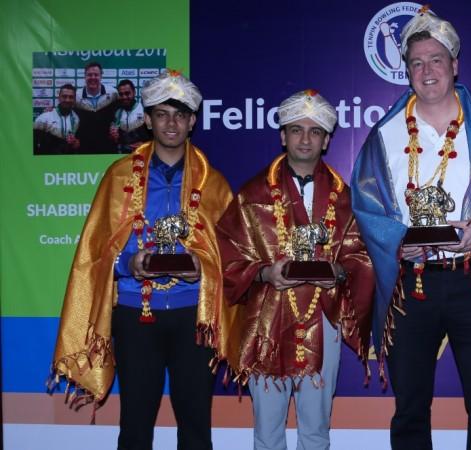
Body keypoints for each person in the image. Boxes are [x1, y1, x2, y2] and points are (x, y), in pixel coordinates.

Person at [351, 8, 471, 450]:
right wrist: (399, 241)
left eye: (436, 60)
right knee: (410, 407)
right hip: (413, 283)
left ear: (455, 65)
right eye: (417, 63)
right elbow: (366, 206)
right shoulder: (385, 134)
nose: (427, 71)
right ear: (406, 71)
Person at [52, 70, 235, 450]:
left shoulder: (213, 183)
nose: (171, 122)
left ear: (192, 122)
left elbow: (230, 255)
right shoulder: (119, 176)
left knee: (196, 425)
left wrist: (203, 266)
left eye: (180, 115)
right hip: (136, 315)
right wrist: (127, 264)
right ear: (147, 120)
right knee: (135, 424)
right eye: (162, 114)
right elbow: (96, 249)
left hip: (193, 318)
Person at [217, 89, 374, 450]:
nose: (306, 138)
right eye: (297, 130)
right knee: (267, 432)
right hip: (267, 319)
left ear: (327, 140)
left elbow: (361, 256)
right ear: (282, 136)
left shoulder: (345, 198)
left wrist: (338, 270)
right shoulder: (253, 195)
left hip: (323, 318)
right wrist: (263, 274)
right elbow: (227, 253)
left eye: (315, 131)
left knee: (316, 430)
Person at [75, 61, 117, 153]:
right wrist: (51, 110)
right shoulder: (76, 96)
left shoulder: (113, 93)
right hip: (83, 146)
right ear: (85, 76)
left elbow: (121, 111)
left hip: (107, 145)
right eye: (89, 75)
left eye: (96, 75)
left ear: (101, 76)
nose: (93, 77)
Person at [33, 83, 80, 154]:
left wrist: (76, 143)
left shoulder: (76, 118)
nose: (67, 100)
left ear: (74, 99)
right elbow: (33, 143)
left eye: (71, 97)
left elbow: (75, 141)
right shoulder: (44, 117)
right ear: (59, 98)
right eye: (64, 96)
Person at [110, 79, 150, 153]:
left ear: (134, 93)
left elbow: (156, 136)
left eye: (127, 93)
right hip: (123, 155)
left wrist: (144, 144)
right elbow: (115, 139)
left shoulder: (144, 109)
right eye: (121, 94)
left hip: (143, 154)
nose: (124, 97)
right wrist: (114, 137)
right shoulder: (117, 112)